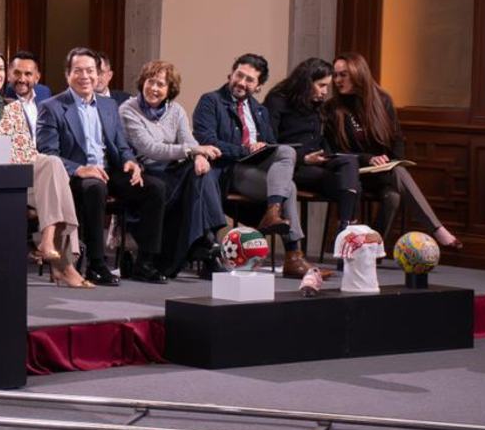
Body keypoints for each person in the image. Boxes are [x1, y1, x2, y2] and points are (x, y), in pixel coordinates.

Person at [37, 47, 169, 285]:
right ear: (68, 74)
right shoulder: (52, 107)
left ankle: (145, 263)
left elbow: (121, 145)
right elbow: (48, 155)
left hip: (109, 171)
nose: (85, 76)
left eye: (90, 71)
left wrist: (130, 161)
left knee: (155, 188)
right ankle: (97, 265)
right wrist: (79, 169)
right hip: (74, 176)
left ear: (98, 76)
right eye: (78, 71)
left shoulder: (109, 105)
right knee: (94, 187)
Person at [193, 53, 330, 279]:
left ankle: (276, 218)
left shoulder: (259, 110)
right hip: (229, 170)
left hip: (256, 170)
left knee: (285, 156)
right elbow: (207, 140)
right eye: (239, 75)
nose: (242, 83)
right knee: (289, 187)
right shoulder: (211, 101)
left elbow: (272, 144)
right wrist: (246, 149)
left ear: (258, 86)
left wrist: (264, 147)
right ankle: (293, 255)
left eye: (250, 80)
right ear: (231, 74)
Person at [0, 49, 91, 288]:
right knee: (55, 185)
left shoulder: (11, 107)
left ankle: (49, 241)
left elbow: (25, 148)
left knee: (53, 164)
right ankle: (63, 265)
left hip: (20, 172)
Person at [325, 52, 462, 249]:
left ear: (358, 73)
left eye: (343, 74)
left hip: (383, 171)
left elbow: (397, 138)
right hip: (353, 173)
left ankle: (372, 249)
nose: (337, 80)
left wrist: (391, 162)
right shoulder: (332, 108)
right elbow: (335, 151)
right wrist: (368, 159)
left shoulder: (382, 100)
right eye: (335, 75)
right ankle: (436, 228)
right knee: (396, 184)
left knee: (393, 194)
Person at [119, 60, 226, 278]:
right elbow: (150, 149)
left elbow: (188, 140)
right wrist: (194, 151)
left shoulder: (176, 111)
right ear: (142, 82)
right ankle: (207, 241)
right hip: (145, 172)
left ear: (170, 90)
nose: (154, 89)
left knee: (203, 171)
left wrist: (199, 156)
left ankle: (205, 240)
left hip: (169, 172)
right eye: (151, 82)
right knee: (196, 174)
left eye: (161, 84)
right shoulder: (128, 109)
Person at [264, 58, 361, 239]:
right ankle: (346, 237)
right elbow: (270, 144)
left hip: (317, 162)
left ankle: (345, 228)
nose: (325, 92)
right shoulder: (277, 100)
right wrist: (304, 158)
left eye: (327, 86)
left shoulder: (317, 105)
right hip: (290, 166)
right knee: (349, 186)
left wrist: (328, 156)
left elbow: (320, 139)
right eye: (321, 85)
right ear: (306, 82)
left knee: (349, 165)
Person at [5, 51, 47, 145]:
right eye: (17, 73)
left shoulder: (44, 94)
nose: (22, 79)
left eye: (28, 74)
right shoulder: (3, 101)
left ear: (37, 78)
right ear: (8, 75)